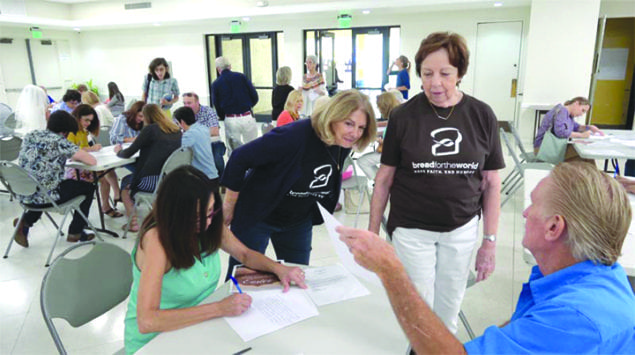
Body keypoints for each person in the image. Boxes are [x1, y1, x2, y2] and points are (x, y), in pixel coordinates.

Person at [340, 162, 635, 354]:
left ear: (554, 227)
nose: (524, 212)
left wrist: (392, 271)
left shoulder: (575, 321)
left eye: (533, 204)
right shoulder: (595, 273)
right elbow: (522, 333)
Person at [369, 32, 505, 334]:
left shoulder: (481, 115)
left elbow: (492, 183)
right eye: (427, 73)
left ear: (460, 74)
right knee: (417, 306)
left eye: (445, 74)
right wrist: (373, 234)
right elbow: (384, 180)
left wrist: (490, 242)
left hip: (462, 227)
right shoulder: (404, 116)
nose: (435, 83)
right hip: (411, 230)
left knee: (449, 306)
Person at [124, 165, 307, 354]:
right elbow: (147, 321)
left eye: (210, 211)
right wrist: (219, 308)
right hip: (155, 343)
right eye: (195, 218)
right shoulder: (157, 240)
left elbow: (244, 254)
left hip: (196, 327)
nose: (207, 223)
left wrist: (278, 268)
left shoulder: (208, 221)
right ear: (175, 215)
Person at [222, 89, 377, 278]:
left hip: (297, 219)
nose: (355, 133)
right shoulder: (294, 135)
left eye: (361, 128)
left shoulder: (342, 143)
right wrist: (229, 205)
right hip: (258, 214)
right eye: (349, 124)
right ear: (332, 117)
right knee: (244, 276)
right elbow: (240, 157)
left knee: (297, 275)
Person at [13, 110, 97, 247]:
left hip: (24, 193)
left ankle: (25, 221)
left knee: (44, 185)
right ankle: (75, 232)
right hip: (46, 197)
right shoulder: (59, 142)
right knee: (88, 187)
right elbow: (91, 161)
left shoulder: (31, 135)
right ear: (64, 131)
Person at [115, 104, 181, 232]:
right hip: (169, 180)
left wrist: (118, 151)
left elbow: (128, 153)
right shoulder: (176, 130)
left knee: (125, 183)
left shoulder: (150, 130)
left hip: (151, 182)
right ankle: (160, 218)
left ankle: (133, 223)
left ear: (147, 117)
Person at [66, 104, 123, 219]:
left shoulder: (83, 131)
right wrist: (91, 149)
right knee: (104, 178)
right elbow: (71, 151)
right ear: (78, 117)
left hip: (83, 164)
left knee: (107, 172)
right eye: (86, 120)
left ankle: (112, 199)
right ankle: (107, 205)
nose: (88, 123)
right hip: (73, 168)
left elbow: (84, 150)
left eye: (90, 121)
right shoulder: (71, 132)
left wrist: (90, 149)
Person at [211, 56, 259, 155]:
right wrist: (248, 107)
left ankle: (236, 169)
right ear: (230, 66)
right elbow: (255, 96)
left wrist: (223, 116)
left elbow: (217, 104)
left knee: (233, 150)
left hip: (231, 118)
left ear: (218, 69)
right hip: (247, 116)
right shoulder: (242, 77)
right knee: (253, 147)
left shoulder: (216, 84)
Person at [533, 96, 603, 161]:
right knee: (585, 157)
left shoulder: (569, 115)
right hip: (543, 149)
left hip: (551, 147)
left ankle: (589, 174)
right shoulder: (562, 111)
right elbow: (561, 132)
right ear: (576, 103)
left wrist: (590, 127)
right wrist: (581, 135)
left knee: (585, 157)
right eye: (582, 110)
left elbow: (576, 127)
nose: (581, 114)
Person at [357, 91, 401, 180]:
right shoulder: (396, 115)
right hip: (393, 152)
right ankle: (381, 181)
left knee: (362, 161)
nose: (377, 108)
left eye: (378, 106)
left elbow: (395, 141)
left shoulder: (396, 118)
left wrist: (380, 140)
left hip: (393, 154)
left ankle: (380, 182)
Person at [182, 91, 226, 178]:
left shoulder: (208, 111)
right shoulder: (181, 113)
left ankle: (221, 180)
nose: (186, 106)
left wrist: (195, 134)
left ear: (197, 102)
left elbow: (214, 131)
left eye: (189, 103)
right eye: (184, 103)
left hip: (211, 143)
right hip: (191, 144)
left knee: (216, 160)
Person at [173, 106, 218, 181]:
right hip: (212, 174)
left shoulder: (189, 135)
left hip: (202, 177)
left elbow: (179, 151)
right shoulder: (204, 128)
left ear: (182, 122)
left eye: (177, 123)